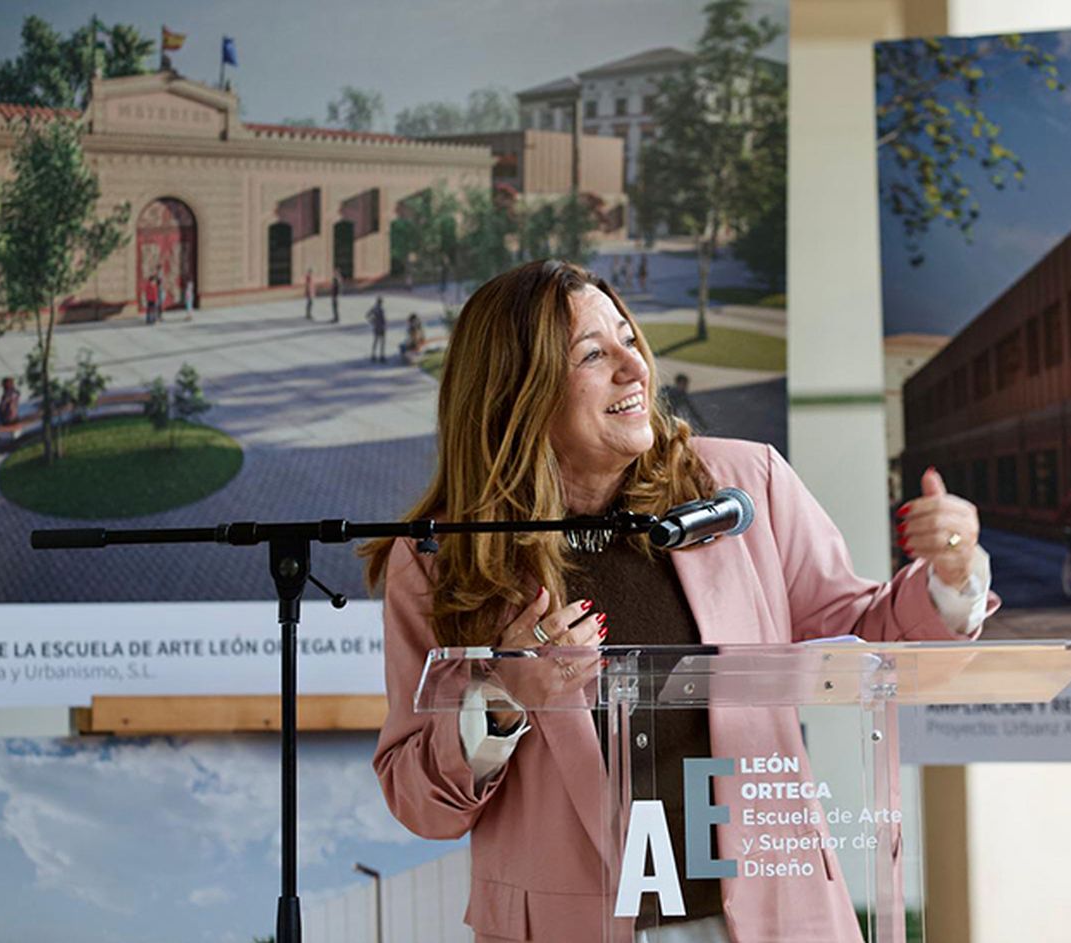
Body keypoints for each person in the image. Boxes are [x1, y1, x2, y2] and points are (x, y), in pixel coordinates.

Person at [362, 260, 994, 942]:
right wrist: (502, 698)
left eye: (629, 338)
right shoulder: (441, 556)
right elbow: (421, 803)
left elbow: (868, 629)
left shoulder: (741, 487)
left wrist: (951, 574)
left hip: (770, 918)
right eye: (594, 354)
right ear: (517, 388)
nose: (635, 369)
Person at [366, 296, 388, 363]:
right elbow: (383, 319)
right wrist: (385, 325)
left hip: (376, 327)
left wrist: (372, 321)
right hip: (381, 327)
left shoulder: (374, 308)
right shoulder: (381, 309)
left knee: (375, 341)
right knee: (382, 342)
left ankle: (373, 355)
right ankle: (381, 356)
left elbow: (367, 315)